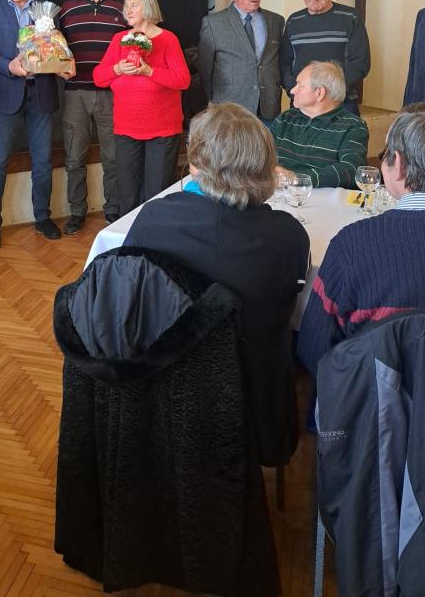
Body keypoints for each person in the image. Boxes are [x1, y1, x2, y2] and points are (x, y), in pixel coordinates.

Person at [124, 102, 310, 467]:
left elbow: (132, 300)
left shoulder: (155, 218)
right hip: (256, 404)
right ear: (266, 165)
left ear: (195, 164)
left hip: (168, 395)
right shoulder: (289, 235)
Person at [297, 101, 425, 375]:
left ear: (398, 165)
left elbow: (314, 351)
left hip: (373, 400)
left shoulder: (352, 246)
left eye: (385, 154)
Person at [0, 0, 72, 250]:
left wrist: (62, 64)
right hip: (5, 93)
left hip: (40, 93)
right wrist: (9, 66)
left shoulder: (47, 8)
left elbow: (56, 47)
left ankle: (42, 217)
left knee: (43, 160)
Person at [93, 0, 190, 215]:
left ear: (148, 7)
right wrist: (117, 68)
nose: (127, 10)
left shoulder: (168, 39)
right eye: (126, 5)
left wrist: (150, 72)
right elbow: (99, 77)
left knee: (156, 194)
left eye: (134, 5)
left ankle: (154, 234)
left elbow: (183, 80)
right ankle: (129, 236)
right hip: (126, 129)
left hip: (162, 131)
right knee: (127, 194)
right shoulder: (119, 39)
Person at [58, 0, 126, 234]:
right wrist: (57, 65)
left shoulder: (123, 10)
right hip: (75, 94)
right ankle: (77, 212)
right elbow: (53, 49)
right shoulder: (66, 10)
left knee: (113, 157)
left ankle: (114, 210)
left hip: (112, 94)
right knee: (74, 158)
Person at [197, 0, 284, 123]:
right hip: (229, 108)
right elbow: (205, 69)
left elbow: (279, 61)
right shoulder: (214, 23)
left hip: (268, 106)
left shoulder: (276, 21)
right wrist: (212, 100)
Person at [280, 0, 370, 113]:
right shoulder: (294, 21)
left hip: (342, 102)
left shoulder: (350, 17)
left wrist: (332, 92)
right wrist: (293, 89)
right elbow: (284, 63)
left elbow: (360, 62)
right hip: (302, 102)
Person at [270, 60, 369, 187]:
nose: (293, 90)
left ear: (319, 92)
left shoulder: (353, 126)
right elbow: (261, 158)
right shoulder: (285, 119)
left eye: (300, 85)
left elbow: (351, 170)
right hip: (278, 195)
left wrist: (296, 178)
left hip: (323, 198)